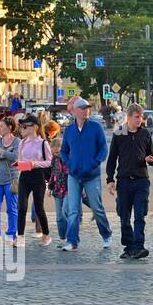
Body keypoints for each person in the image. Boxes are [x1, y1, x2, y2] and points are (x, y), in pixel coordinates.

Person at [60, 97, 113, 252]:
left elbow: (103, 149)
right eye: (83, 108)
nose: (86, 111)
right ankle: (72, 241)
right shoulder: (69, 130)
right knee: (73, 209)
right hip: (74, 175)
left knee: (96, 207)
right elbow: (64, 151)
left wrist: (95, 162)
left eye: (87, 108)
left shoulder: (96, 128)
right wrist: (69, 164)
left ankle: (106, 235)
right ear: (75, 111)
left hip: (91, 175)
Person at [107, 103, 153, 260]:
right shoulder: (119, 134)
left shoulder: (145, 134)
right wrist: (110, 179)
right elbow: (112, 159)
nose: (139, 120)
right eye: (137, 117)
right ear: (128, 117)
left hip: (141, 180)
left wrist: (151, 159)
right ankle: (129, 247)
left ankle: (139, 246)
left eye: (141, 117)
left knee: (139, 215)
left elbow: (152, 156)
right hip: (123, 181)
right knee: (124, 216)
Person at [14, 116, 53, 243]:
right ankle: (20, 237)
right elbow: (20, 160)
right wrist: (18, 165)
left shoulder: (43, 143)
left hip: (38, 176)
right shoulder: (21, 143)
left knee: (38, 207)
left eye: (25, 126)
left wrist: (34, 164)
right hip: (24, 176)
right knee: (21, 207)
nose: (22, 129)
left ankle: (46, 234)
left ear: (34, 127)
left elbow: (49, 162)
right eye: (21, 126)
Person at [0, 117, 20, 245]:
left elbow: (16, 157)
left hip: (11, 178)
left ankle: (11, 233)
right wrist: (3, 154)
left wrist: (1, 151)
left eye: (1, 126)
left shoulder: (17, 141)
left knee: (12, 208)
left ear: (10, 127)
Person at [44, 119, 68, 244]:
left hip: (68, 189)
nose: (56, 154)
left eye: (58, 152)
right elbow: (53, 173)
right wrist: (50, 187)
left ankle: (70, 236)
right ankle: (63, 238)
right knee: (59, 217)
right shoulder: (54, 159)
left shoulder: (67, 158)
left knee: (65, 213)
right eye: (54, 153)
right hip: (57, 190)